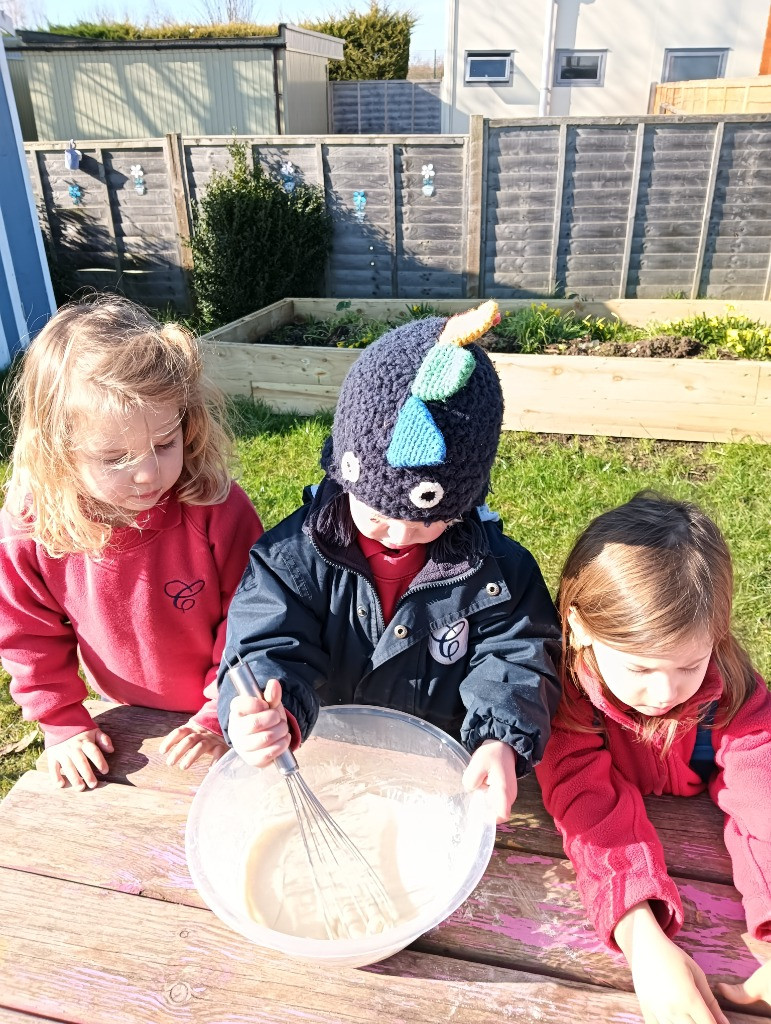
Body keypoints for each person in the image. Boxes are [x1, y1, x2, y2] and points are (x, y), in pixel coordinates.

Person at [217, 300, 561, 823]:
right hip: (328, 768)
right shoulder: (292, 558)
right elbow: (264, 642)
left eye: (428, 519)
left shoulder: (497, 574)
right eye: (377, 511)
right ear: (342, 473)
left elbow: (516, 656)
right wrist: (272, 713)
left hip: (438, 781)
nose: (400, 532)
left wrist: (499, 739)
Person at [0, 297, 263, 791]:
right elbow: (26, 634)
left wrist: (225, 707)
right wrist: (61, 722)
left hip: (224, 712)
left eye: (165, 443)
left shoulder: (216, 507)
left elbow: (252, 617)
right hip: (124, 717)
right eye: (114, 457)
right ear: (57, 449)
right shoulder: (31, 527)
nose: (147, 473)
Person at [536, 492, 771, 1023]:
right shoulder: (562, 699)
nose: (667, 692)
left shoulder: (731, 688)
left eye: (690, 663)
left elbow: (765, 792)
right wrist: (641, 937)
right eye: (640, 669)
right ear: (579, 626)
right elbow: (587, 804)